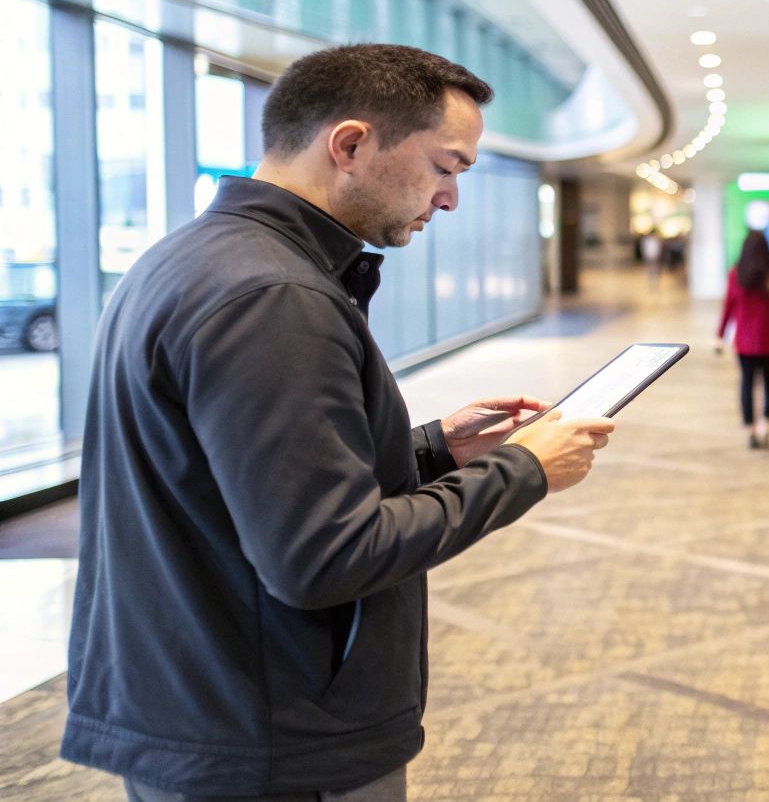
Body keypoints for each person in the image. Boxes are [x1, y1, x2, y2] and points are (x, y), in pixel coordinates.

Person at [61, 44, 616, 802]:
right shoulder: (275, 298)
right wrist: (524, 471)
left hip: (204, 705)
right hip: (272, 739)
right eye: (445, 167)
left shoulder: (194, 258)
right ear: (350, 144)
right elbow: (325, 557)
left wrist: (433, 450)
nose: (450, 199)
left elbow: (236, 484)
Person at [717, 230, 769, 449]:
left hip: (745, 342)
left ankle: (750, 429)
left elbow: (728, 306)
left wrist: (720, 334)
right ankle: (765, 425)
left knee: (747, 382)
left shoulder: (736, 275)